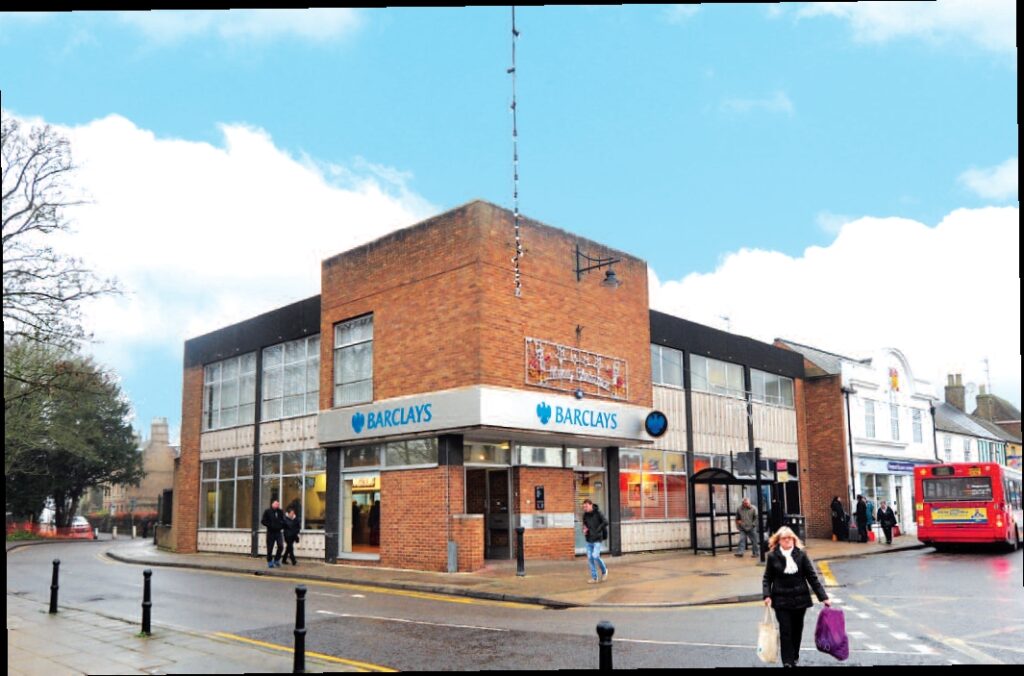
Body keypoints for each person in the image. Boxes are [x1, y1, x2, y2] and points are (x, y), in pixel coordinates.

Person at [763, 526, 831, 668]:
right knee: (785, 630)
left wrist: (823, 597)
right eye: (784, 538)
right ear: (779, 541)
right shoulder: (772, 556)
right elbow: (767, 578)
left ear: (794, 539)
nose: (787, 540)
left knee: (797, 629)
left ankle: (794, 656)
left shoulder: (801, 555)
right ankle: (787, 661)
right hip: (781, 600)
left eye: (789, 538)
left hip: (800, 600)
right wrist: (767, 595)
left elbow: (812, 577)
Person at [581, 499, 609, 583]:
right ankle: (594, 577)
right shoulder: (585, 515)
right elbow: (584, 525)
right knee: (590, 558)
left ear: (591, 505)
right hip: (589, 539)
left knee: (595, 556)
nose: (585, 508)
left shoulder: (598, 513)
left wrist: (598, 529)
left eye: (586, 506)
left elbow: (605, 522)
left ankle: (604, 571)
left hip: (597, 539)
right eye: (583, 507)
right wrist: (584, 529)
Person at [260, 499, 286, 568]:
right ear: (272, 504)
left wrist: (282, 525)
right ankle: (270, 561)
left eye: (278, 504)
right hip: (270, 532)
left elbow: (283, 520)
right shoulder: (267, 511)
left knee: (281, 546)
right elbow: (263, 521)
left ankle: (276, 560)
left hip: (278, 532)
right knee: (270, 548)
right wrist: (270, 525)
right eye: (276, 504)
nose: (277, 505)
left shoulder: (280, 512)